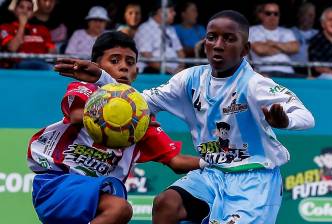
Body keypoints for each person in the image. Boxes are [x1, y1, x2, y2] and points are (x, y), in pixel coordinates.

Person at [55, 10, 315, 223]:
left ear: (245, 48)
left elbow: (305, 116)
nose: (218, 45)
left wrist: (285, 121)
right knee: (167, 204)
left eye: (228, 39)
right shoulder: (189, 79)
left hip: (254, 180)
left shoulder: (255, 85)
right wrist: (103, 78)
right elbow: (139, 104)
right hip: (213, 174)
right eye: (212, 37)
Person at [31, 31, 207, 224]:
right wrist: (127, 118)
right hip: (57, 183)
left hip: (97, 198)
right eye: (114, 61)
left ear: (136, 72)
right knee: (120, 208)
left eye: (130, 63)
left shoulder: (140, 122)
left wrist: (216, 162)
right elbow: (76, 116)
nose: (123, 67)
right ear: (97, 68)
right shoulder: (88, 90)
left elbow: (176, 161)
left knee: (118, 210)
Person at [249, 2, 300, 78]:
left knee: (311, 81)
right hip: (265, 72)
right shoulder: (252, 30)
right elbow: (260, 50)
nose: (272, 16)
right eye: (268, 13)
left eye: (276, 14)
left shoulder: (287, 32)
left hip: (289, 71)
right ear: (261, 15)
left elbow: (295, 48)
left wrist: (273, 43)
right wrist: (285, 48)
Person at [0, 0, 55, 69]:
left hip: (42, 63)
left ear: (32, 14)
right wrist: (22, 25)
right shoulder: (5, 28)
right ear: (14, 10)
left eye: (29, 9)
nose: (24, 11)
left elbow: (52, 53)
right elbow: (12, 48)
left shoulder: (43, 29)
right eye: (21, 7)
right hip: (18, 65)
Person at [134, 0, 185, 74]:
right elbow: (147, 58)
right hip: (152, 71)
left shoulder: (170, 29)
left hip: (174, 72)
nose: (174, 13)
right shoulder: (145, 28)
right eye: (171, 11)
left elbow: (181, 53)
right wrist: (171, 70)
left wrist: (180, 69)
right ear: (161, 12)